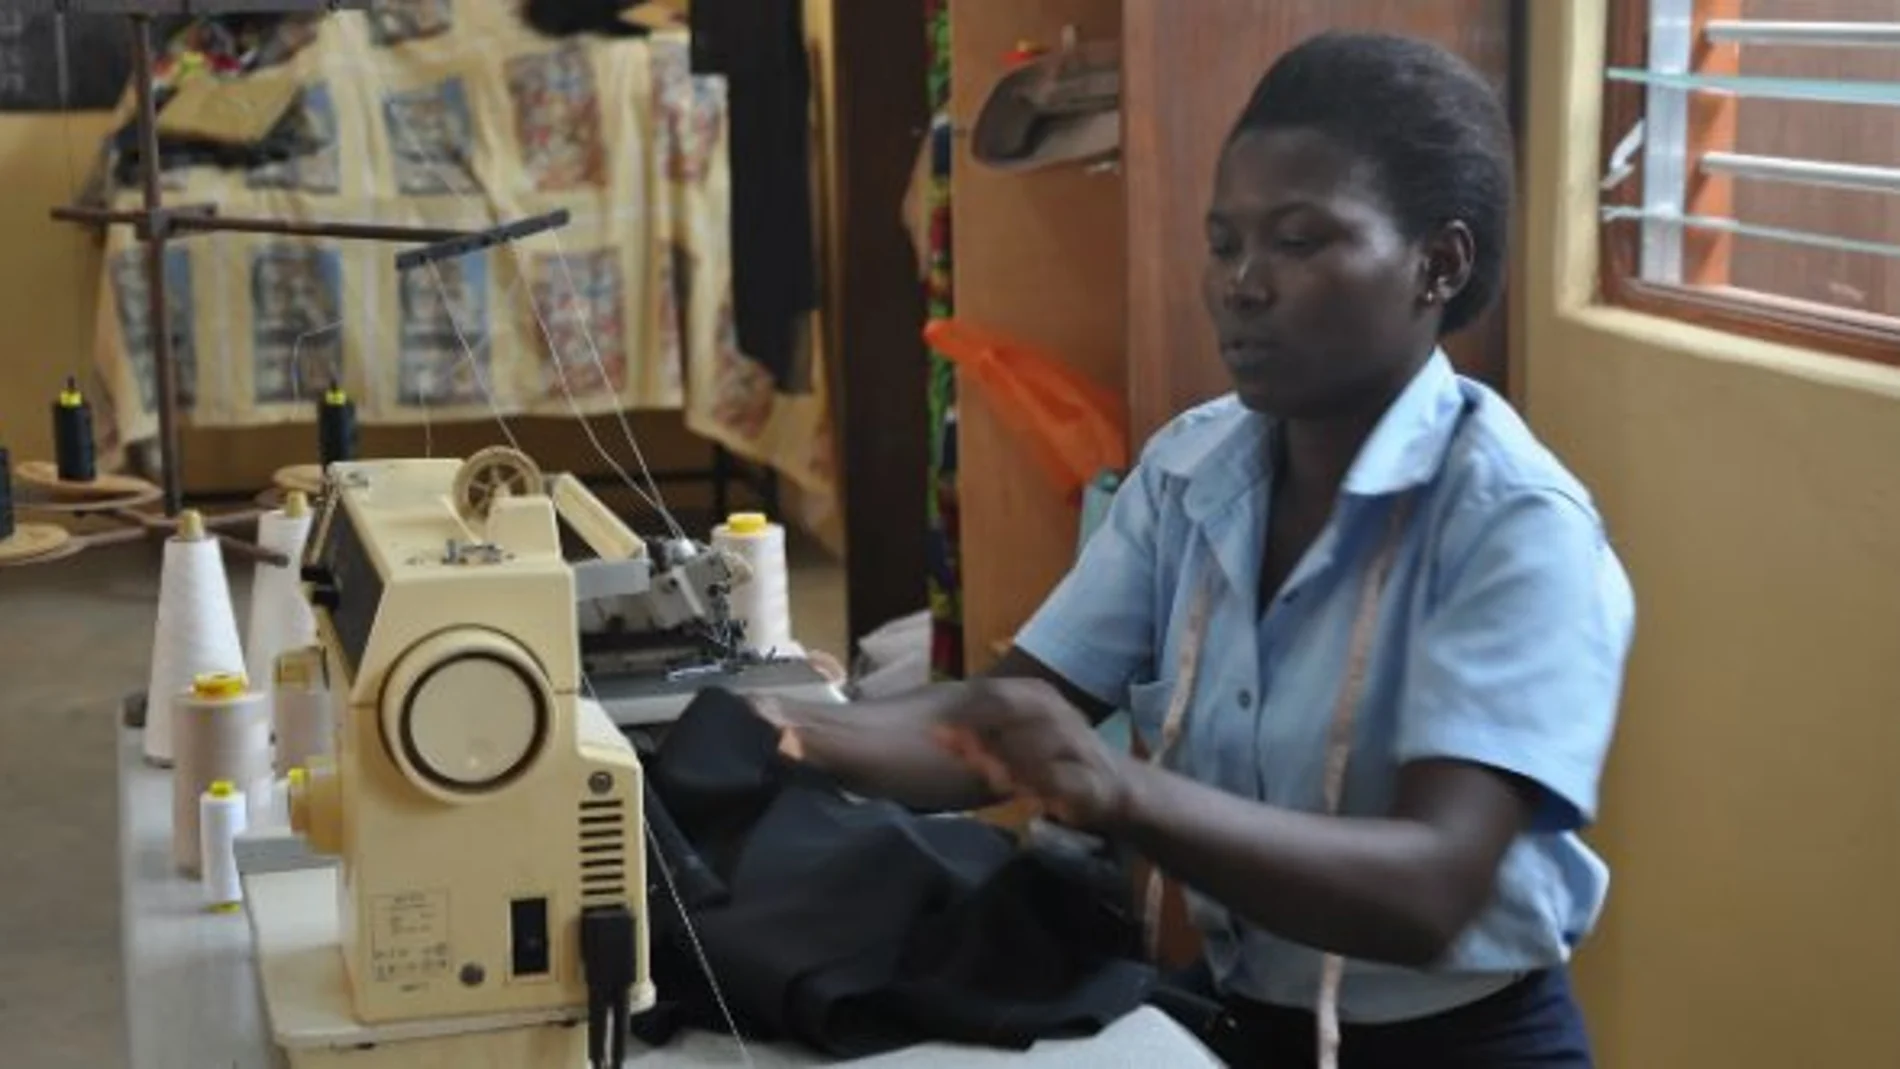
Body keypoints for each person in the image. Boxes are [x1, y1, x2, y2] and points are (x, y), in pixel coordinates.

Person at [750, 30, 1633, 1069]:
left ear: (1437, 264)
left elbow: (1429, 889)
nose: (1240, 285)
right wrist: (771, 729)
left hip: (1463, 1046)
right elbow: (997, 720)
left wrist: (1119, 790)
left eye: (1300, 241)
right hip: (1239, 1020)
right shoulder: (1190, 471)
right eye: (1223, 243)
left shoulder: (1512, 525)